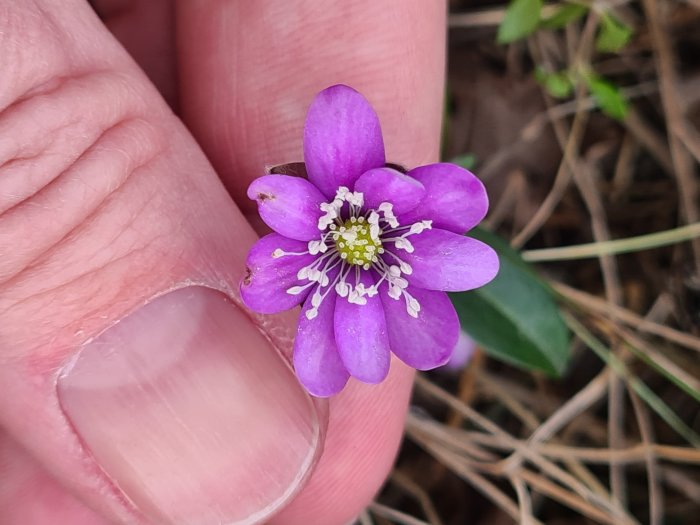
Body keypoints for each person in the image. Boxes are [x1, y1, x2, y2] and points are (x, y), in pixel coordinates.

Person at [0, 1, 446, 523]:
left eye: (359, 247)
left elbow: (456, 209)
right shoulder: (307, 204)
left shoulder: (384, 234)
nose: (357, 246)